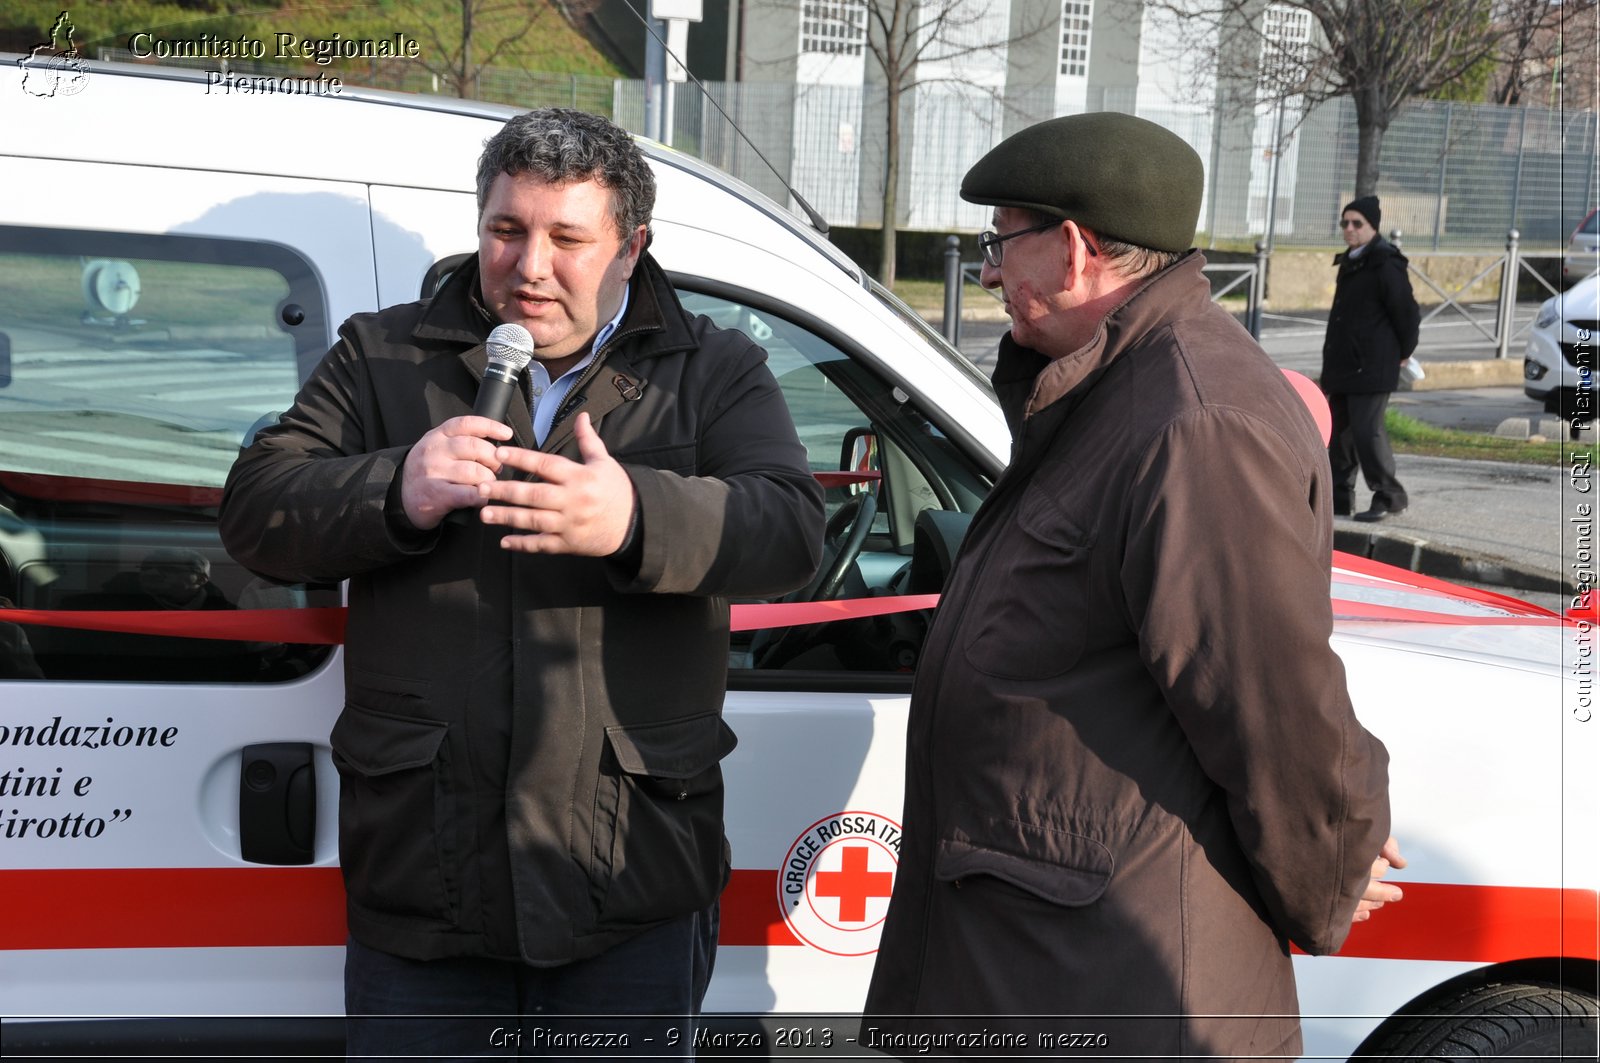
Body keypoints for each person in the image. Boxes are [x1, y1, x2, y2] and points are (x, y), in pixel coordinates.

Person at [218, 108, 823, 1058]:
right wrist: (396, 486)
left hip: (630, 885)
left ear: (633, 247)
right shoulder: (383, 355)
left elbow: (792, 531)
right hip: (426, 888)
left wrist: (634, 520)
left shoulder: (715, 368)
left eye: (567, 238)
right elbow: (256, 511)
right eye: (507, 230)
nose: (529, 265)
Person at [863, 113, 1403, 1061]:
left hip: (1115, 983)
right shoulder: (1117, 388)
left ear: (1073, 251)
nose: (989, 271)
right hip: (1050, 964)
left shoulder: (1194, 421)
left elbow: (1272, 700)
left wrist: (1333, 857)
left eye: (1001, 241)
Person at [1322, 195, 1421, 522]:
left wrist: (1404, 352)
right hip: (1344, 365)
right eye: (1345, 223)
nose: (1349, 229)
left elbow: (1406, 313)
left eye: (1357, 223)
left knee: (1368, 432)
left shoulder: (1385, 262)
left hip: (1374, 365)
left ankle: (1390, 496)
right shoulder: (1351, 260)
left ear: (1372, 227)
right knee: (1339, 435)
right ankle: (1338, 500)